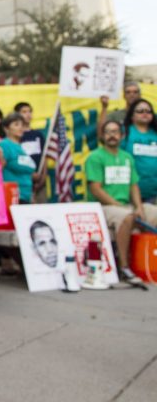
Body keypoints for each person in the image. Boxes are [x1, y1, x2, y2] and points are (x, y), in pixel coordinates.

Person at [85, 120, 157, 283]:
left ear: (122, 136)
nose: (112, 135)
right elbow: (96, 189)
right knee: (126, 217)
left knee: (153, 212)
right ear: (102, 136)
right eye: (108, 132)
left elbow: (133, 185)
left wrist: (139, 207)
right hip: (103, 206)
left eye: (115, 132)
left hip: (126, 205)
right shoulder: (95, 157)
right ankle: (124, 267)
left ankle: (151, 263)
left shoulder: (127, 157)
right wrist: (121, 207)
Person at [123, 99, 157, 204]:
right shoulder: (124, 132)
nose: (145, 114)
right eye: (140, 111)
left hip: (154, 193)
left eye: (148, 111)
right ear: (132, 115)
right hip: (129, 192)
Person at [0, 113, 37, 204]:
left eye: (22, 125)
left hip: (27, 197)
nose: (20, 128)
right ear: (6, 128)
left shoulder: (22, 148)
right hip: (12, 197)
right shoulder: (4, 145)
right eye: (16, 124)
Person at [14, 102, 48, 203]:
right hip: (23, 181)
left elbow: (44, 156)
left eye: (30, 111)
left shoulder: (38, 134)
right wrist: (29, 175)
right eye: (24, 112)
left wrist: (43, 177)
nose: (28, 114)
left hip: (39, 182)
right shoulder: (16, 136)